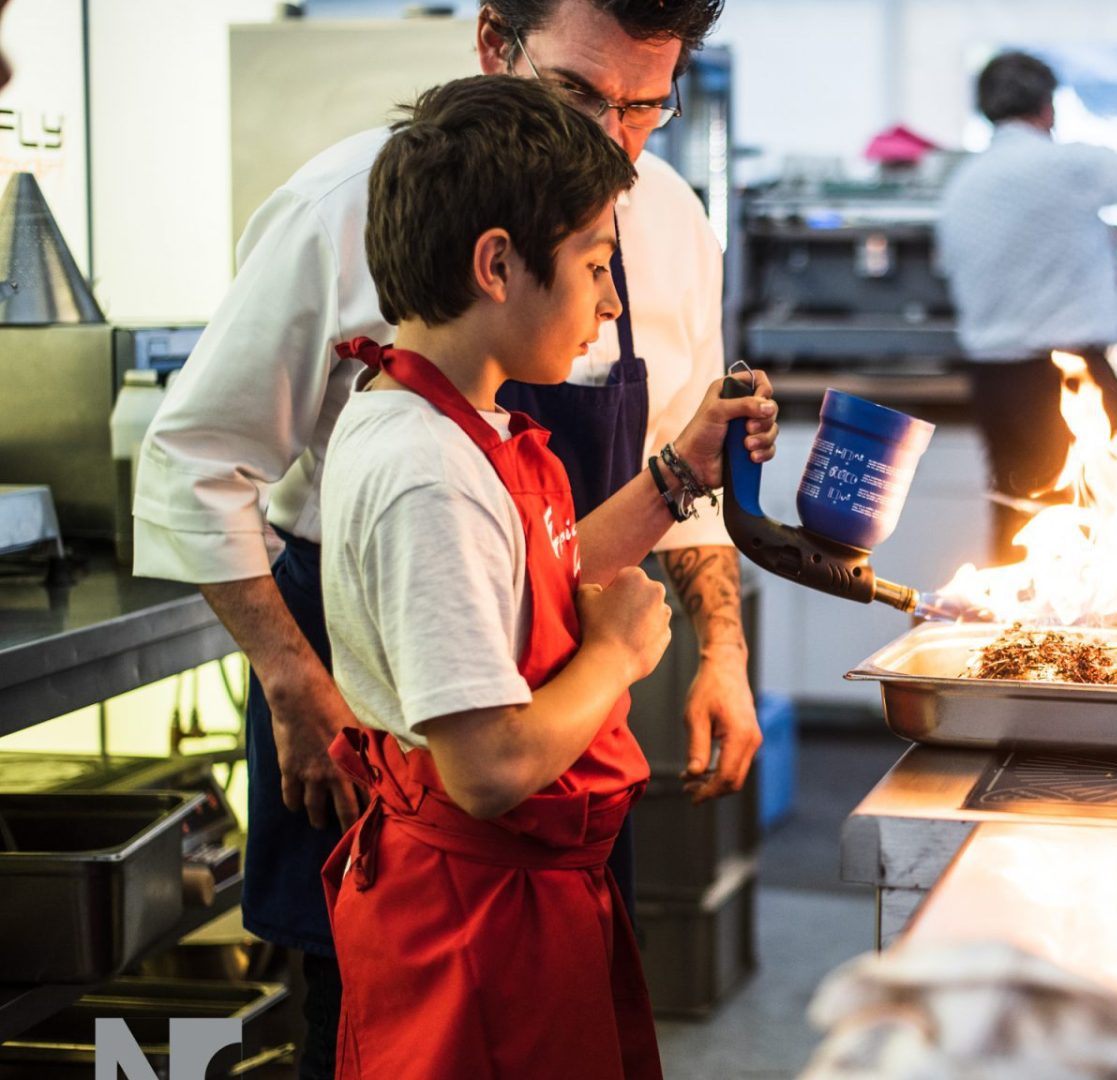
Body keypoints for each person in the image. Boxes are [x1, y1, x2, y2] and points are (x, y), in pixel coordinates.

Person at [132, 2, 750, 1075]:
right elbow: (194, 459)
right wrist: (294, 681)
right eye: (579, 98)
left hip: (562, 732)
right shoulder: (349, 222)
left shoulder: (672, 223)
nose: (614, 144)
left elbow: (562, 541)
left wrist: (719, 646)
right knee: (385, 1019)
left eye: (647, 108)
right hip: (399, 740)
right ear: (492, 45)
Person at [316, 75, 776, 1079]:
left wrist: (684, 464)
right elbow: (485, 768)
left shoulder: (464, 421)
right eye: (595, 265)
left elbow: (545, 569)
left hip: (527, 901)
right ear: (496, 265)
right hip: (475, 922)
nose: (613, 301)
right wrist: (617, 657)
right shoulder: (426, 472)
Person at [936, 51, 1117, 558]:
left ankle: (1010, 637)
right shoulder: (1068, 164)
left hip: (991, 380)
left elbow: (949, 269)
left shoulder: (963, 184)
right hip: (1065, 374)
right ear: (1047, 107)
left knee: (1017, 521)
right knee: (1099, 528)